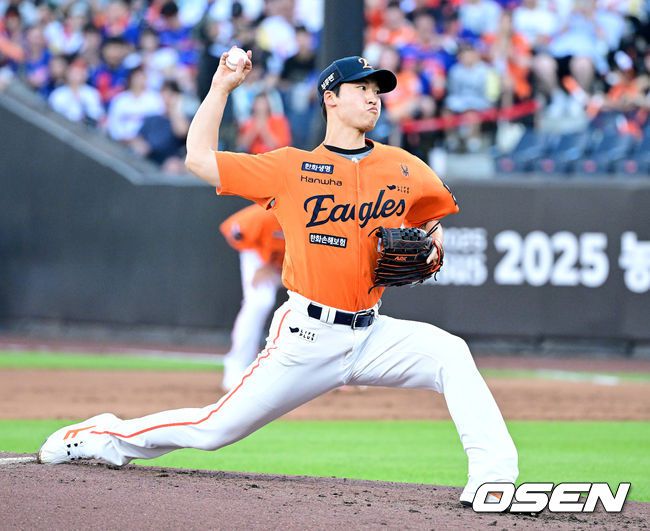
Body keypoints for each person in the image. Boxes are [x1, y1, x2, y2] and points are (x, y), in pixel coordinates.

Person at [37, 49, 518, 508]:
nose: (374, 98)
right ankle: (101, 437)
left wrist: (434, 243)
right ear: (331, 98)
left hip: (373, 333)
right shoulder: (290, 168)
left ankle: (493, 479)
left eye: (378, 91)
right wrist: (221, 88)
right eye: (362, 88)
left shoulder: (404, 166)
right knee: (214, 429)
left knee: (450, 353)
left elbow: (432, 217)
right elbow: (199, 158)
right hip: (308, 336)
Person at [219, 204, 285, 392]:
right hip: (259, 255)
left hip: (291, 262)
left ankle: (338, 373)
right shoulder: (265, 216)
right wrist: (263, 263)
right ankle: (236, 367)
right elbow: (233, 229)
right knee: (260, 301)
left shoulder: (315, 215)